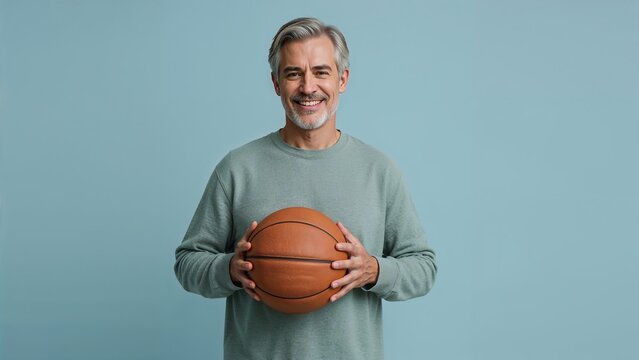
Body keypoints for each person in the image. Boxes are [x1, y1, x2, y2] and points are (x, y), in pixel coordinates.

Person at [174, 17, 437, 360]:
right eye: (294, 73)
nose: (308, 87)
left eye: (321, 72)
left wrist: (373, 270)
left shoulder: (379, 170)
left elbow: (424, 267)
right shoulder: (237, 169)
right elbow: (187, 263)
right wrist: (230, 270)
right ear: (276, 83)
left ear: (342, 80)